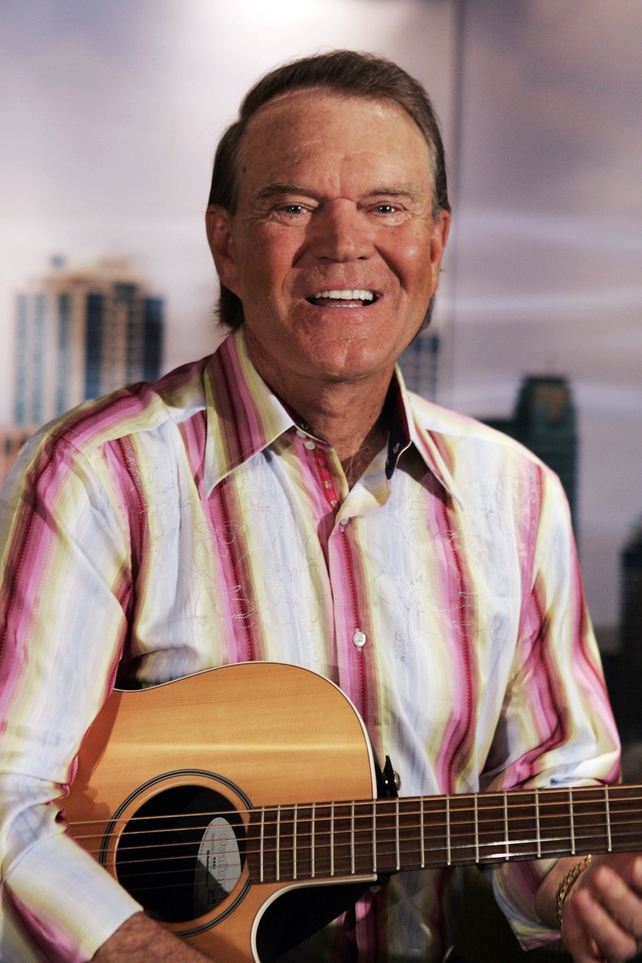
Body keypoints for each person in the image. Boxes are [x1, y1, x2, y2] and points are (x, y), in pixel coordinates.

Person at [0, 49, 640, 963]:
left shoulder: (519, 495)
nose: (345, 242)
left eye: (387, 206)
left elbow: (550, 787)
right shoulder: (98, 474)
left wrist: (583, 884)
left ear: (436, 241)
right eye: (293, 204)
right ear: (225, 240)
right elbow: (8, 795)